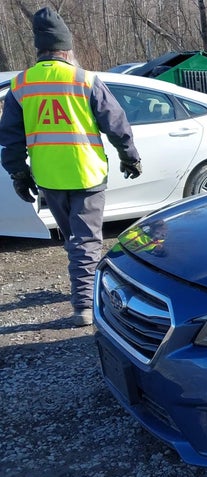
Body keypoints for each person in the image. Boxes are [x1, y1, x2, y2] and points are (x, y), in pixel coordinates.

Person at [0, 7, 142, 327]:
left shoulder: (21, 85)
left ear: (40, 50)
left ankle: (84, 287)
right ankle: (84, 304)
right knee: (87, 240)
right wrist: (129, 156)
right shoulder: (84, 79)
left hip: (49, 177)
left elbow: (10, 137)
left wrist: (19, 173)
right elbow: (116, 124)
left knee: (74, 240)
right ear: (67, 49)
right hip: (87, 173)